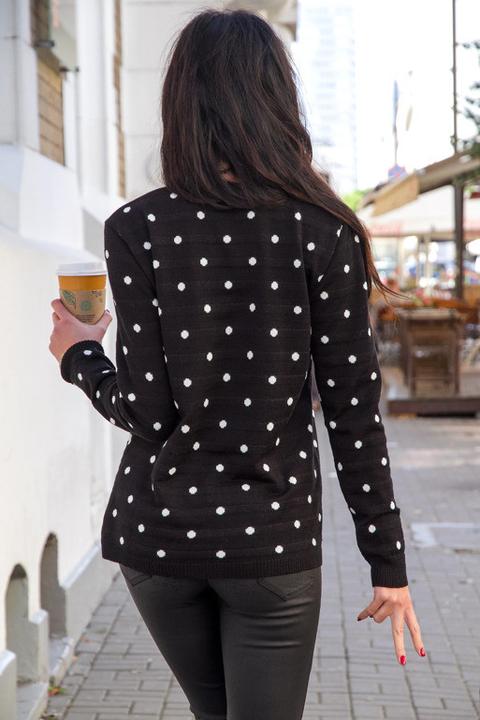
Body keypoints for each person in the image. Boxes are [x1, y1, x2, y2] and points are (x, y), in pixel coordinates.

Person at [49, 8, 425, 720]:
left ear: (181, 103)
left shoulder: (137, 227)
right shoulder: (323, 231)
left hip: (158, 539)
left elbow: (147, 409)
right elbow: (352, 412)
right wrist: (388, 563)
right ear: (276, 99)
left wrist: (80, 356)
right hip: (271, 545)